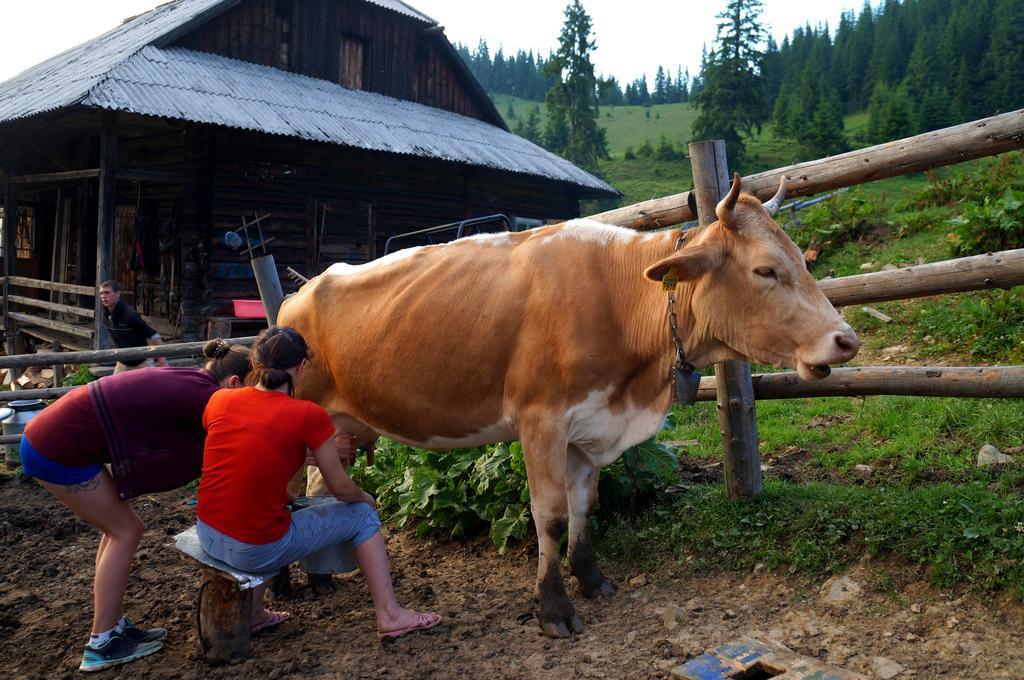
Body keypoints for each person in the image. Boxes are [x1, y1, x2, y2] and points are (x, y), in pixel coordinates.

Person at [20, 340, 252, 673]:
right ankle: (101, 643)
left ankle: (111, 627)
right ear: (234, 384)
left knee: (119, 528)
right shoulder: (207, 397)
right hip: (55, 448)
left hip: (55, 438)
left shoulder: (192, 382)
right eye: (252, 393)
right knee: (125, 531)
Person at [196, 326, 441, 640]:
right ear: (300, 369)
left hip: (208, 531)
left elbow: (242, 455)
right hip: (252, 548)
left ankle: (255, 613)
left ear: (255, 366)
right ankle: (391, 614)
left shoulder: (220, 401)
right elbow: (340, 488)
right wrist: (366, 498)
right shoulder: (307, 414)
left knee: (264, 511)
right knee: (363, 516)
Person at [98, 280, 168, 373]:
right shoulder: (105, 317)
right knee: (115, 387)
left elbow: (155, 336)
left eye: (107, 292)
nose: (103, 296)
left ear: (118, 294)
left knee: (155, 386)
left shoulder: (130, 315)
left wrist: (162, 360)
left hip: (142, 363)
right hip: (123, 362)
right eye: (101, 293)